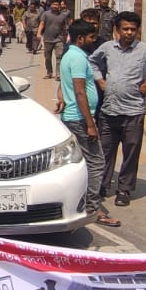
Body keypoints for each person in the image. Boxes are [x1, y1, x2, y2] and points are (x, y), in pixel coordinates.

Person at [88, 10, 146, 209]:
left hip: (133, 112)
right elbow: (92, 61)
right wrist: (99, 80)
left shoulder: (145, 51)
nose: (129, 33)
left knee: (131, 153)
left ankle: (124, 190)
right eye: (125, 29)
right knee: (105, 151)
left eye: (133, 30)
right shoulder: (107, 48)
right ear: (117, 30)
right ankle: (101, 185)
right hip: (109, 110)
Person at [58, 20, 112, 226]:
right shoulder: (78, 58)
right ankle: (92, 207)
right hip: (80, 118)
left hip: (75, 117)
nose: (94, 40)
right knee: (96, 162)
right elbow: (79, 91)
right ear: (81, 38)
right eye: (91, 37)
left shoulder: (70, 55)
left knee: (83, 162)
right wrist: (90, 124)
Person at [39, 0, 72, 79]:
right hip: (47, 38)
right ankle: (49, 73)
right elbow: (42, 24)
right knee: (47, 57)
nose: (55, 6)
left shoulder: (63, 15)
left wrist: (66, 37)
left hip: (59, 39)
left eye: (57, 4)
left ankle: (58, 74)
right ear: (51, 5)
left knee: (59, 57)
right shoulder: (45, 14)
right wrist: (39, 33)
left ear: (60, 6)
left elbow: (64, 27)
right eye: (53, 4)